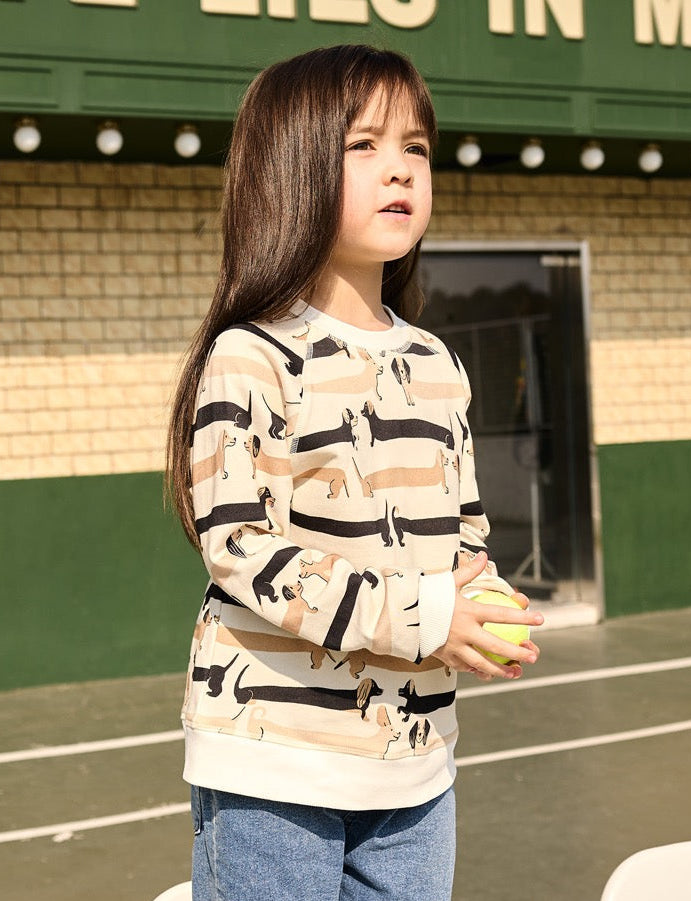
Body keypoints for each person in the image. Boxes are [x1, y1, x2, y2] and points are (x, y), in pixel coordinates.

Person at [165, 44, 543, 901]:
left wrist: (478, 603)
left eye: (415, 146)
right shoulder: (251, 354)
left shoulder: (438, 361)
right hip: (274, 758)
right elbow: (241, 548)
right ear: (291, 165)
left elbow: (465, 532)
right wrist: (425, 618)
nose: (400, 169)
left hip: (416, 764)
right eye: (363, 145)